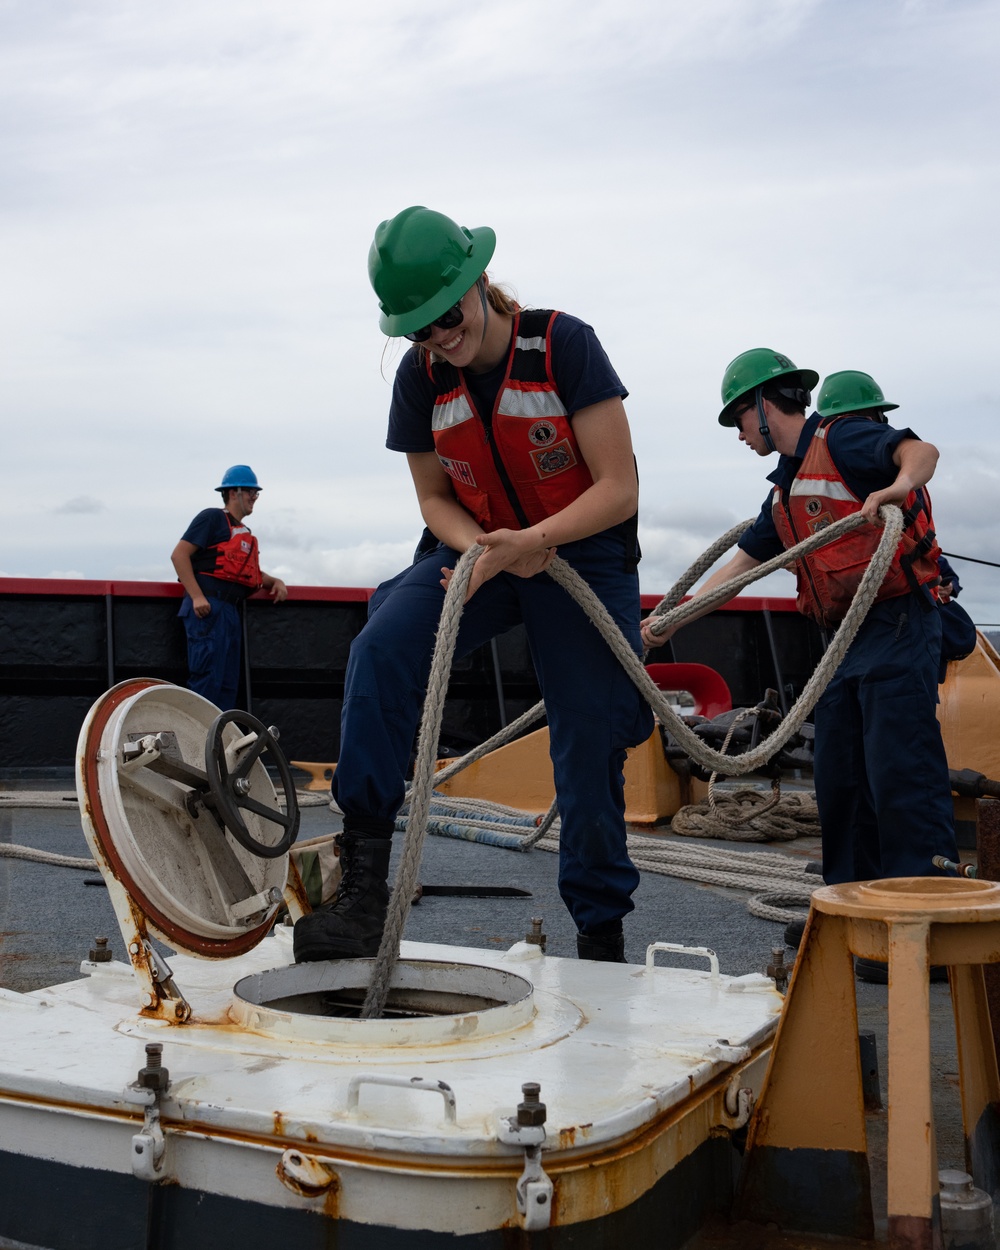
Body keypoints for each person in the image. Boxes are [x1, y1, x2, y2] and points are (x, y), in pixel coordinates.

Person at [293, 205, 653, 965]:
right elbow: (433, 498)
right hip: (478, 548)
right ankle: (364, 892)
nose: (440, 338)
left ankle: (599, 933)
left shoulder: (564, 345)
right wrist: (486, 548)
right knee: (381, 649)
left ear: (479, 283)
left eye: (447, 316)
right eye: (419, 329)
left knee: (588, 735)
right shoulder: (420, 379)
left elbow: (619, 488)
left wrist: (536, 542)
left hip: (580, 554)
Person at [640, 349, 960, 972]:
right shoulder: (784, 491)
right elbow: (738, 571)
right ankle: (851, 918)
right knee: (840, 779)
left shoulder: (843, 440)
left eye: (739, 418)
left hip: (897, 627)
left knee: (901, 779)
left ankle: (925, 935)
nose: (739, 434)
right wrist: (670, 621)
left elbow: (919, 454)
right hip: (842, 641)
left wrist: (897, 485)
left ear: (765, 404)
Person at [815, 370, 977, 678]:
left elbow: (934, 563)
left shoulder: (893, 480)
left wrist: (947, 586)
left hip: (901, 622)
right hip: (858, 629)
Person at [170, 465, 287, 709]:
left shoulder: (244, 532)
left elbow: (250, 573)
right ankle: (199, 741)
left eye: (256, 493)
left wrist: (274, 581)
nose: (254, 498)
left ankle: (219, 744)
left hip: (230, 612)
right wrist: (197, 597)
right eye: (250, 492)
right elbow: (179, 555)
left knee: (227, 685)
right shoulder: (212, 518)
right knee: (207, 681)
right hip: (209, 610)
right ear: (233, 493)